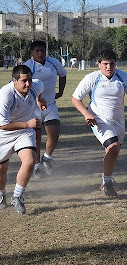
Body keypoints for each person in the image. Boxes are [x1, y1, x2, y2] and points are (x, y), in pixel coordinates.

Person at [71, 49, 127, 197]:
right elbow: (76, 98)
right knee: (113, 147)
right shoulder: (92, 78)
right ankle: (107, 182)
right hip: (99, 120)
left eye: (112, 64)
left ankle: (105, 179)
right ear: (99, 64)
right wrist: (87, 114)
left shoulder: (123, 76)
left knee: (112, 152)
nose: (109, 67)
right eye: (105, 64)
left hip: (119, 122)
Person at [0, 65, 47, 214]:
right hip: (4, 134)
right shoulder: (5, 95)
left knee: (30, 161)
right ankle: (1, 195)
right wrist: (27, 123)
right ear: (14, 81)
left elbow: (39, 89)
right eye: (24, 81)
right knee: (2, 170)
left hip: (24, 132)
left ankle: (18, 196)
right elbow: (2, 125)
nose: (28, 84)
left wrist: (40, 99)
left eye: (30, 80)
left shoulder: (36, 86)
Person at [24, 40, 67, 177]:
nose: (40, 53)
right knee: (36, 138)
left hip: (50, 105)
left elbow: (63, 75)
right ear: (31, 53)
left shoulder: (53, 62)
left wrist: (60, 92)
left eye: (42, 50)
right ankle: (36, 166)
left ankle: (47, 157)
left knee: (54, 133)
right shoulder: (27, 66)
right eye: (37, 51)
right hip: (33, 109)